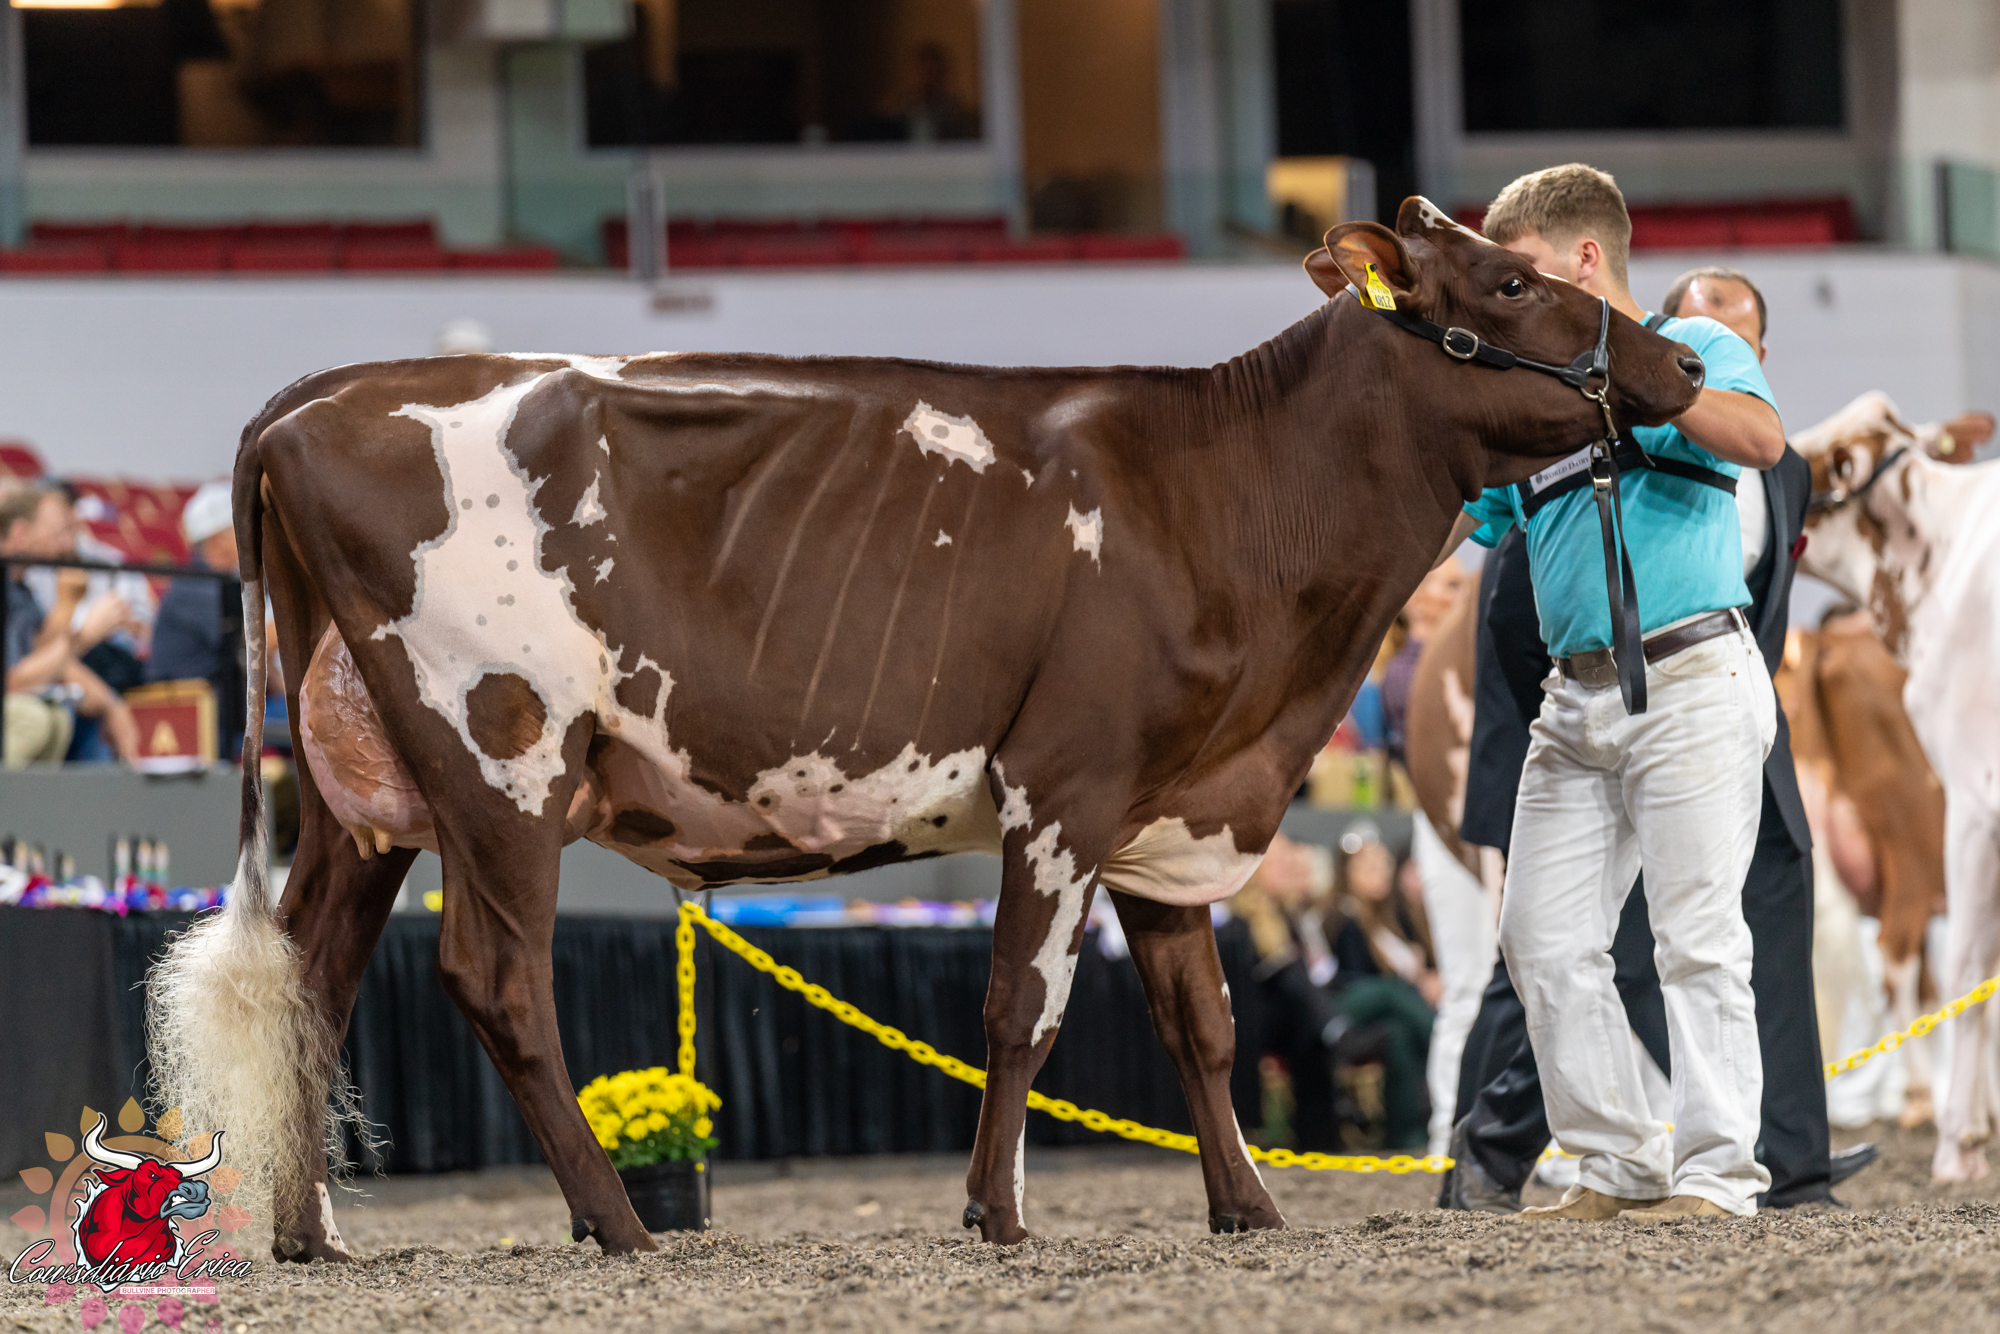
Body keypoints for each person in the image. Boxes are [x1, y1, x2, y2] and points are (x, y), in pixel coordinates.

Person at [1440, 265, 1875, 1214]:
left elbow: (1760, 448)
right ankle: (1616, 1161)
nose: (1712, 332)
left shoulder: (1718, 389)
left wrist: (1649, 370)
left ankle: (1733, 1173)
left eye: (1733, 329)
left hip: (1701, 682)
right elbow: (1488, 546)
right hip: (1575, 696)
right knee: (1540, 940)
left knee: (1703, 941)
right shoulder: (1545, 395)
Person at [3, 484, 139, 767]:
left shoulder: (23, 592)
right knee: (37, 718)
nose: (67, 546)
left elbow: (47, 662)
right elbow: (15, 681)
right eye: (57, 534)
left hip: (32, 697)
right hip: (19, 704)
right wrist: (85, 633)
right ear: (20, 533)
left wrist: (110, 705)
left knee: (66, 714)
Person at [148, 480, 247, 759]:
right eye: (240, 528)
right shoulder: (192, 588)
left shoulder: (220, 582)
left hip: (225, 713)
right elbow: (256, 640)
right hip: (192, 720)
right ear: (217, 539)